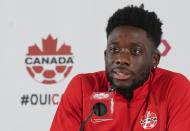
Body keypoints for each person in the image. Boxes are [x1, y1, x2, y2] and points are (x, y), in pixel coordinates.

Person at [50, 4, 190, 131]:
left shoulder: (173, 87)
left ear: (154, 59)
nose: (121, 59)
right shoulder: (82, 87)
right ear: (105, 55)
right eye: (114, 49)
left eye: (135, 51)